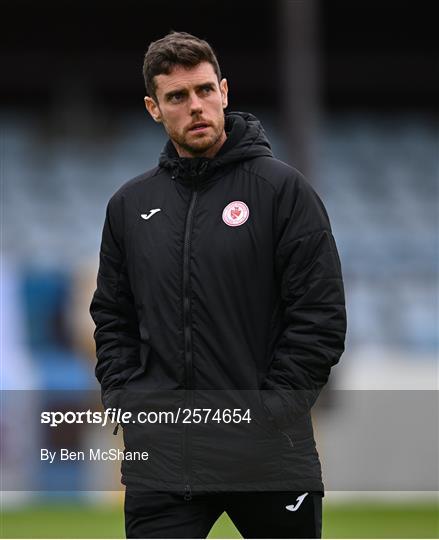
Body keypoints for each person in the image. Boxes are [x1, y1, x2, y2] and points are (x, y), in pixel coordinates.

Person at [90, 31, 346, 539]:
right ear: (153, 108)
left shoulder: (283, 191)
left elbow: (320, 316)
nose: (197, 106)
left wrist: (271, 412)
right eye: (178, 97)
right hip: (163, 462)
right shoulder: (128, 206)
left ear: (225, 92)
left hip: (269, 456)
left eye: (205, 90)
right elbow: (112, 317)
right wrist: (126, 397)